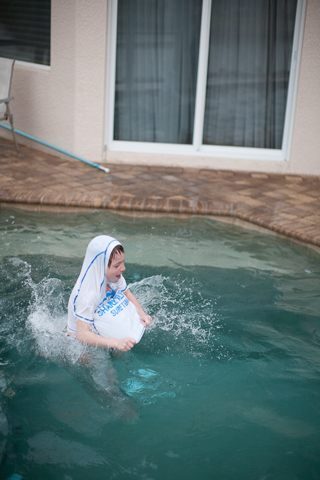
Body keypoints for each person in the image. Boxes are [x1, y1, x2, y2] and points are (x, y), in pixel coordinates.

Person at [67, 235, 152, 352]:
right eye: (117, 265)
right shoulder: (88, 296)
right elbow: (82, 335)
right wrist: (116, 343)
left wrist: (141, 314)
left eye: (123, 262)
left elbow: (127, 294)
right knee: (106, 369)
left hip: (98, 322)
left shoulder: (115, 277)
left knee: (121, 353)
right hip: (79, 345)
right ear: (100, 267)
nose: (123, 268)